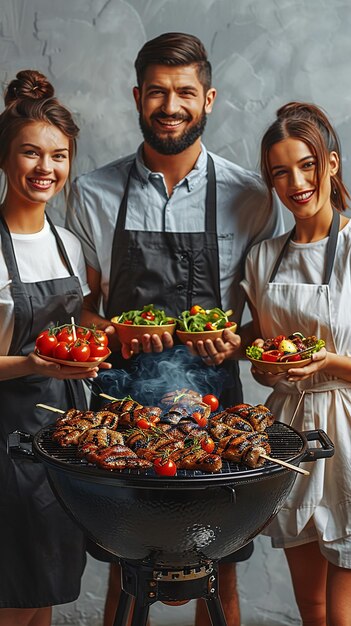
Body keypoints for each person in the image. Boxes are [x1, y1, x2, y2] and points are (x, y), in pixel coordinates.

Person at [66, 32, 284, 626]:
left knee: (224, 562)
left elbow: (258, 322)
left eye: (185, 92)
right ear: (137, 97)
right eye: (157, 92)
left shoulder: (251, 198)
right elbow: (82, 312)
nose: (171, 106)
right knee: (123, 560)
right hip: (119, 405)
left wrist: (232, 339)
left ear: (208, 99)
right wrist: (112, 332)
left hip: (214, 406)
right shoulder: (91, 194)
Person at [0, 69, 108, 626]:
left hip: (61, 437)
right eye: (30, 153)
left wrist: (105, 335)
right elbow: (38, 352)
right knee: (12, 594)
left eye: (59, 156)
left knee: (46, 591)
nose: (46, 169)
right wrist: (33, 363)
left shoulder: (66, 243)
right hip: (4, 436)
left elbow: (78, 326)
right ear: (4, 157)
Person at [238, 102, 351, 626]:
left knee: (344, 607)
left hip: (348, 423)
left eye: (306, 165)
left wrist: (330, 361)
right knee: (310, 606)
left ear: (330, 163)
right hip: (289, 430)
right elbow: (263, 361)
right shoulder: (263, 257)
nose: (296, 182)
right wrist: (267, 370)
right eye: (280, 172)